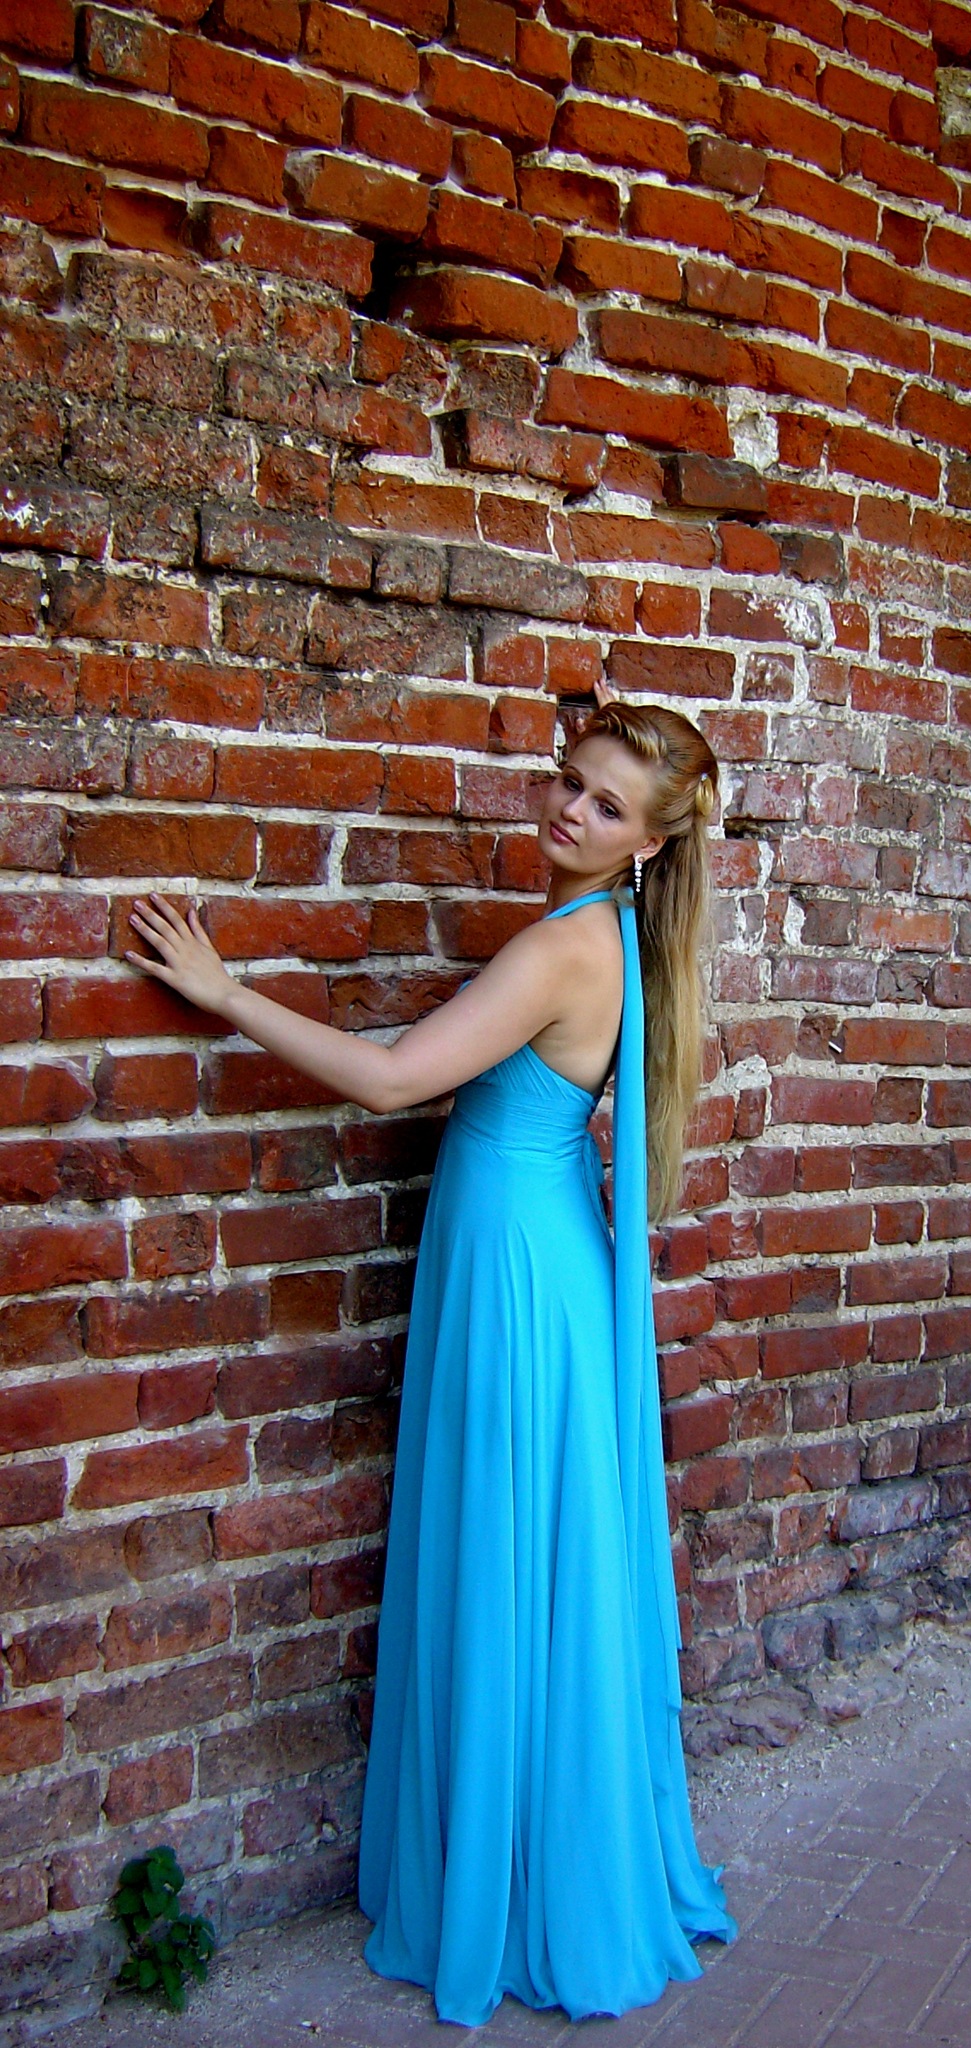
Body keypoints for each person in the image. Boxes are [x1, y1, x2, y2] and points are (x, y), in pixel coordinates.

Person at [125, 691, 738, 2026]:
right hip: (527, 1251)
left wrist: (227, 995)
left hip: (518, 1272)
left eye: (605, 805)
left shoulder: (566, 947)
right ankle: (516, 1854)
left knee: (507, 1551)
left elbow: (398, 1080)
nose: (568, 810)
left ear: (647, 842)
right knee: (519, 1553)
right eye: (567, 780)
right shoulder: (611, 933)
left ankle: (515, 1886)